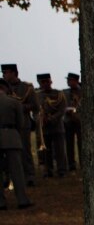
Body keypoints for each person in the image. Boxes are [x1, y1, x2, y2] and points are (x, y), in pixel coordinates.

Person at [1, 63, 38, 186]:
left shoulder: (26, 88)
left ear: (13, 73)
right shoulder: (3, 88)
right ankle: (9, 177)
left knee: (25, 151)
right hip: (7, 126)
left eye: (6, 72)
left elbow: (34, 105)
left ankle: (29, 175)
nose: (4, 75)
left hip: (23, 123)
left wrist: (20, 107)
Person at [0, 79, 33, 210]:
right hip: (11, 137)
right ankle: (22, 200)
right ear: (5, 88)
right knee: (17, 171)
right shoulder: (13, 102)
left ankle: (1, 202)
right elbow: (21, 123)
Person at [36, 73, 69, 178]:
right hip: (44, 128)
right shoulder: (37, 95)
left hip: (57, 126)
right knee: (46, 151)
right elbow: (35, 111)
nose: (45, 84)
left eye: (47, 81)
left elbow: (62, 109)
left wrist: (51, 118)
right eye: (43, 82)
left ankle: (62, 170)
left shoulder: (59, 94)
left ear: (51, 82)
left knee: (60, 150)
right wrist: (40, 118)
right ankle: (48, 170)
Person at [63, 73, 83, 171]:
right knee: (69, 143)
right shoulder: (65, 93)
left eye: (70, 80)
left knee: (81, 143)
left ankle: (83, 162)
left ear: (75, 81)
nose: (68, 82)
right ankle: (71, 164)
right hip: (68, 120)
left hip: (79, 120)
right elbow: (61, 105)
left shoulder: (83, 91)